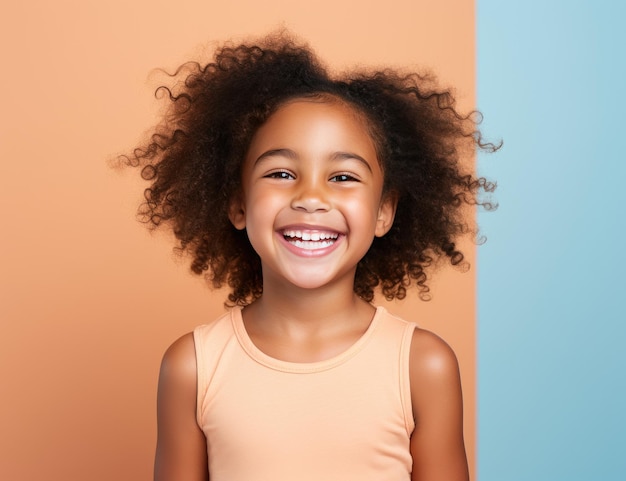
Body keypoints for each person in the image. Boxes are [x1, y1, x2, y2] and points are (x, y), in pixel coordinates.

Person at [124, 31, 496, 481]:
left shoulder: (423, 365)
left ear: (384, 211)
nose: (311, 197)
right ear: (238, 204)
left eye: (342, 176)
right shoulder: (194, 366)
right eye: (281, 172)